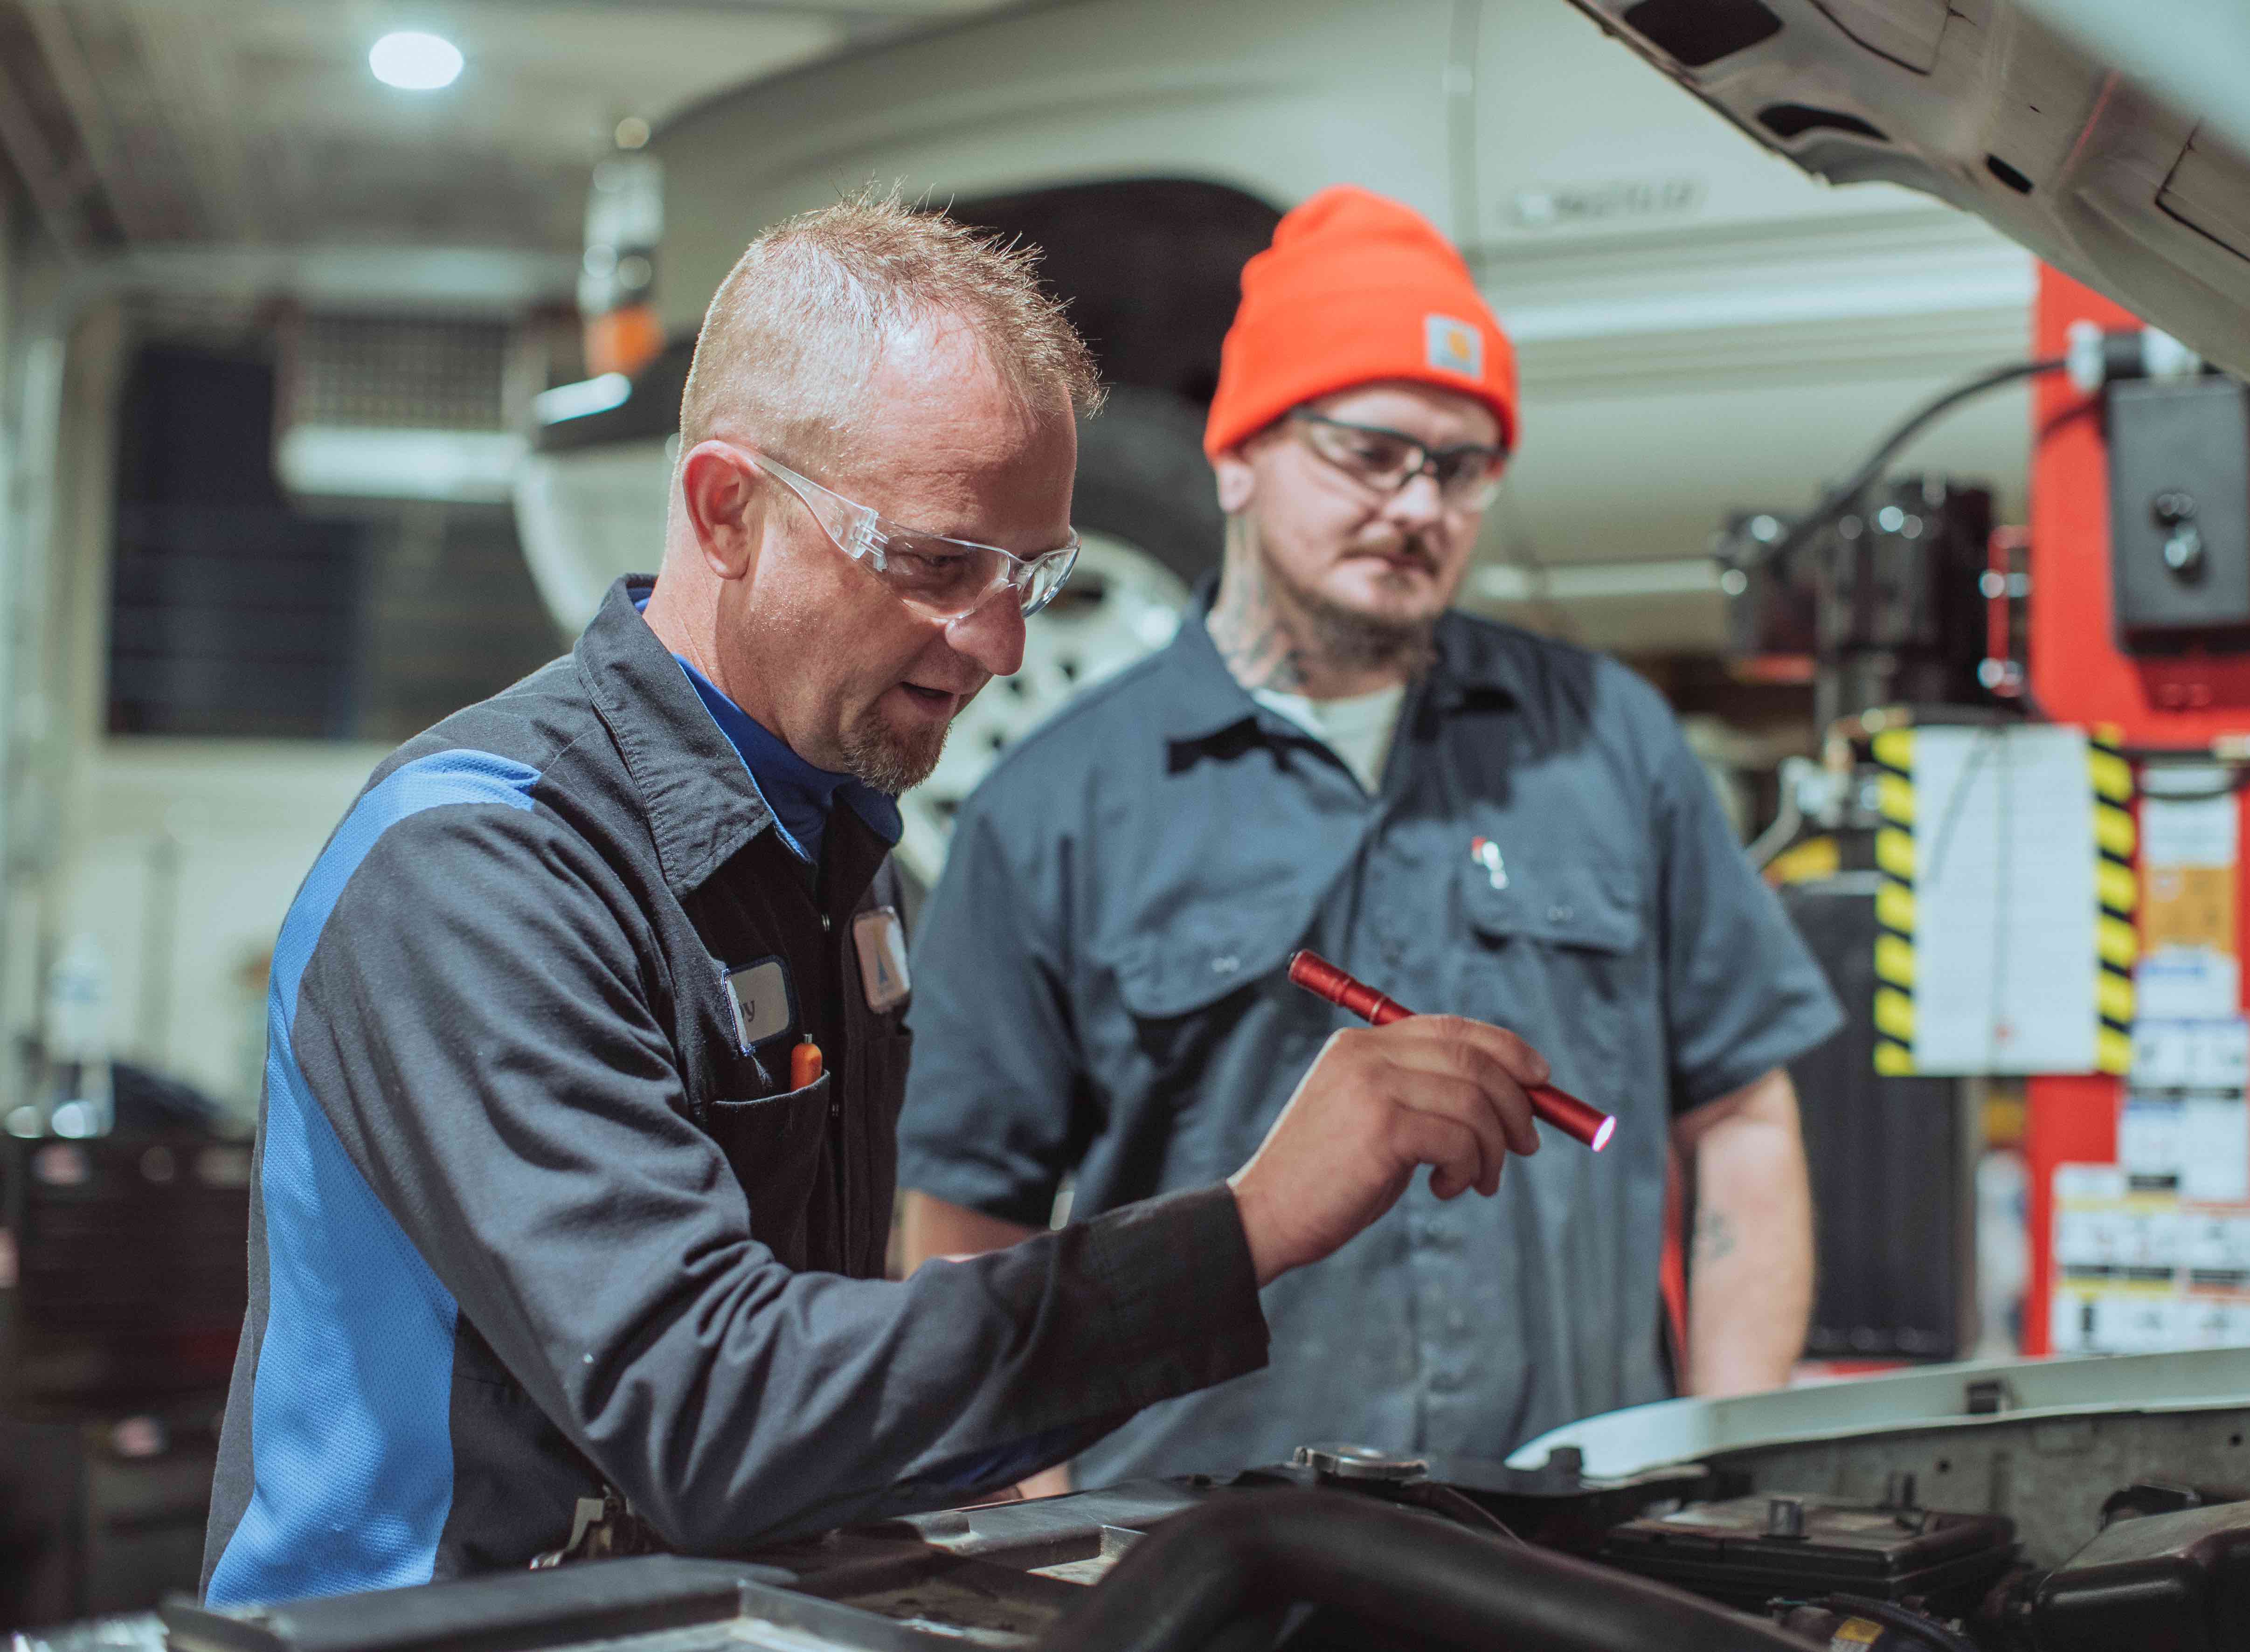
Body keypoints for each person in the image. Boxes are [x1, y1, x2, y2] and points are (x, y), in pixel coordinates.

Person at [200, 195, 1552, 1604]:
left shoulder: (837, 856)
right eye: (935, 563)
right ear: (728, 508)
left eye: (1032, 572)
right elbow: (714, 1414)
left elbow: (822, 1392)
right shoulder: (479, 870)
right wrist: (1247, 1226)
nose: (1003, 643)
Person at [900, 186, 1844, 1495]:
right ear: (1236, 454)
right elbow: (967, 1226)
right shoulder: (1058, 806)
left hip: (1580, 1556)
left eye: (1461, 468)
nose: (1418, 506)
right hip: (1209, 1574)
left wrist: (1730, 1480)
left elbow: (1741, 1116)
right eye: (1369, 451)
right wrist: (1038, 1557)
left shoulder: (1607, 742)